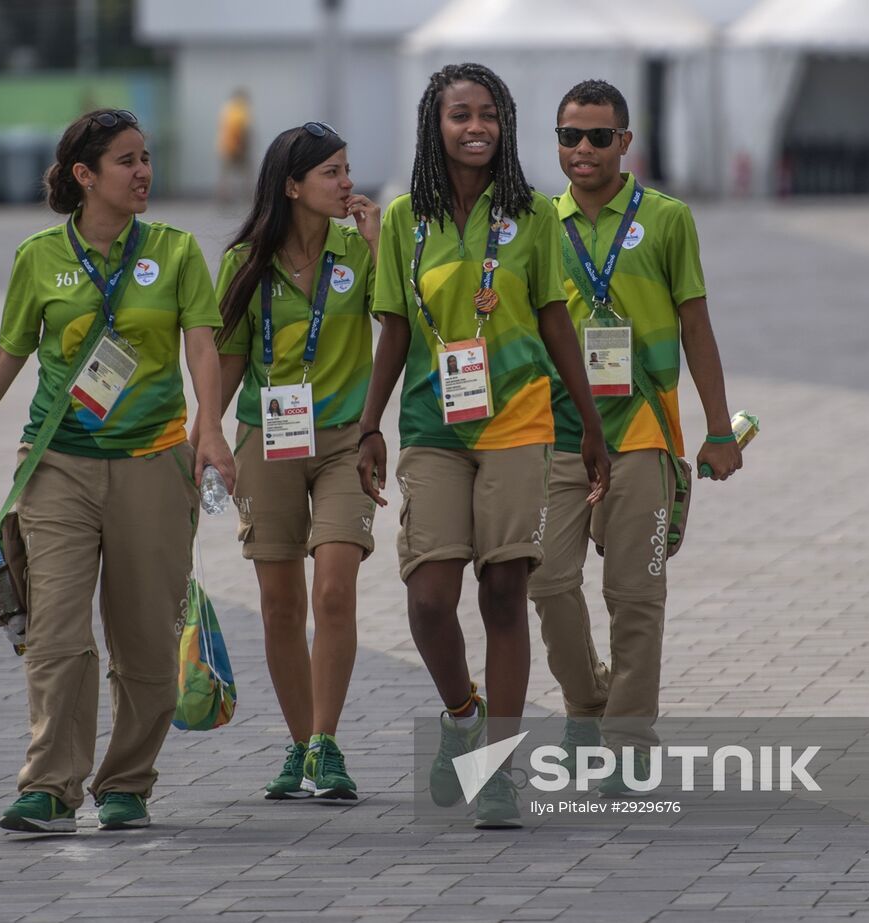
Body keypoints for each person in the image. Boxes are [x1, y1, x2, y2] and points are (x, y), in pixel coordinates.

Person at [0, 108, 235, 834]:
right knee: (58, 633)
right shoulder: (37, 256)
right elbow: (8, 355)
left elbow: (202, 345)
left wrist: (211, 428)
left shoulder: (177, 249)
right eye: (126, 160)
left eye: (147, 157)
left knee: (146, 642)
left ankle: (126, 779)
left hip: (154, 465)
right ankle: (49, 786)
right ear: (84, 176)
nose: (144, 172)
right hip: (57, 466)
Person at [356, 63, 610, 828]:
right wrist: (371, 423)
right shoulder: (404, 218)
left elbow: (555, 318)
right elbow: (396, 325)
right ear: (434, 125)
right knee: (431, 596)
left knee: (504, 590)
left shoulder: (531, 213)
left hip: (521, 420)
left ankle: (496, 769)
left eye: (489, 114)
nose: (476, 128)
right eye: (460, 114)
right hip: (434, 425)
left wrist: (590, 424)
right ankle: (461, 714)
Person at [529, 79, 741, 795]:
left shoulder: (668, 218)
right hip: (556, 431)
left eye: (597, 136)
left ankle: (626, 738)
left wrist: (718, 429)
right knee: (547, 579)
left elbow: (696, 324)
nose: (581, 150)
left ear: (626, 141)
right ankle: (587, 704)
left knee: (636, 592)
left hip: (644, 429)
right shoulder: (533, 222)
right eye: (568, 136)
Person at [203, 121, 381, 801]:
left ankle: (327, 743)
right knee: (279, 602)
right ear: (292, 186)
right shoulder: (246, 257)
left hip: (343, 440)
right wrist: (208, 434)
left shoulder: (359, 246)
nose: (346, 183)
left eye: (346, 168)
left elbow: (400, 320)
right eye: (331, 172)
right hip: (266, 439)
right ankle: (301, 743)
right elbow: (230, 355)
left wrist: (379, 247)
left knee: (334, 588)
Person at [216, 87, 254, 205]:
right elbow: (239, 129)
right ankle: (248, 197)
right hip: (236, 146)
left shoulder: (227, 108)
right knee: (246, 172)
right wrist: (241, 146)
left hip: (225, 146)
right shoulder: (240, 109)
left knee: (226, 174)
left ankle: (224, 197)